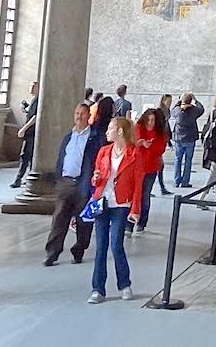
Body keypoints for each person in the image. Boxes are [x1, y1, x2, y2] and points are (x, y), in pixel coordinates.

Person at [87, 117, 144, 303]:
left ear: (120, 131)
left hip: (121, 205)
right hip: (102, 202)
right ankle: (98, 289)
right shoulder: (103, 152)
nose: (106, 132)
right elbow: (96, 180)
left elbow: (138, 186)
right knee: (101, 247)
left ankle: (124, 284)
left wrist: (135, 210)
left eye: (110, 128)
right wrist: (95, 179)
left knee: (116, 245)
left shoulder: (135, 154)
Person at [44, 102, 100, 266]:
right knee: (59, 218)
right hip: (65, 183)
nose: (79, 117)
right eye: (76, 113)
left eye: (82, 114)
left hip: (83, 184)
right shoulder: (69, 136)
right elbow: (62, 157)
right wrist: (59, 177)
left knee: (83, 220)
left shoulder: (95, 138)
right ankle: (52, 252)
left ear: (88, 116)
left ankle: (79, 249)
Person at [128, 108, 167, 233]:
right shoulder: (137, 128)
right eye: (148, 120)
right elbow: (130, 144)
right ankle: (129, 223)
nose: (150, 123)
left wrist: (150, 147)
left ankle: (142, 222)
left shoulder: (160, 133)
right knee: (133, 195)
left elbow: (161, 150)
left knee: (145, 196)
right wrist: (139, 143)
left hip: (150, 169)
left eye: (153, 120)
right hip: (136, 168)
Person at [171, 92, 204, 187]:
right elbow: (202, 109)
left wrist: (179, 101)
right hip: (190, 138)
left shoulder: (177, 111)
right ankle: (185, 181)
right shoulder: (194, 110)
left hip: (178, 138)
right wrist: (195, 99)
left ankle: (177, 181)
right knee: (188, 160)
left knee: (178, 159)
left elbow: (172, 110)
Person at [11, 80, 39, 188]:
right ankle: (26, 178)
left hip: (31, 133)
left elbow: (35, 117)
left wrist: (23, 129)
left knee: (25, 156)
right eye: (30, 86)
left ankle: (19, 179)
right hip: (30, 133)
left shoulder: (38, 100)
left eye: (33, 87)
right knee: (29, 157)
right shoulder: (34, 100)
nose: (31, 88)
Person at [156, 94, 174, 196]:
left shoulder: (167, 111)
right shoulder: (160, 111)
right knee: (159, 166)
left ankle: (162, 187)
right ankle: (161, 187)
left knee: (159, 166)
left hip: (163, 140)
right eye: (168, 101)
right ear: (163, 101)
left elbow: (167, 126)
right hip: (158, 141)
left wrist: (169, 140)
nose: (170, 103)